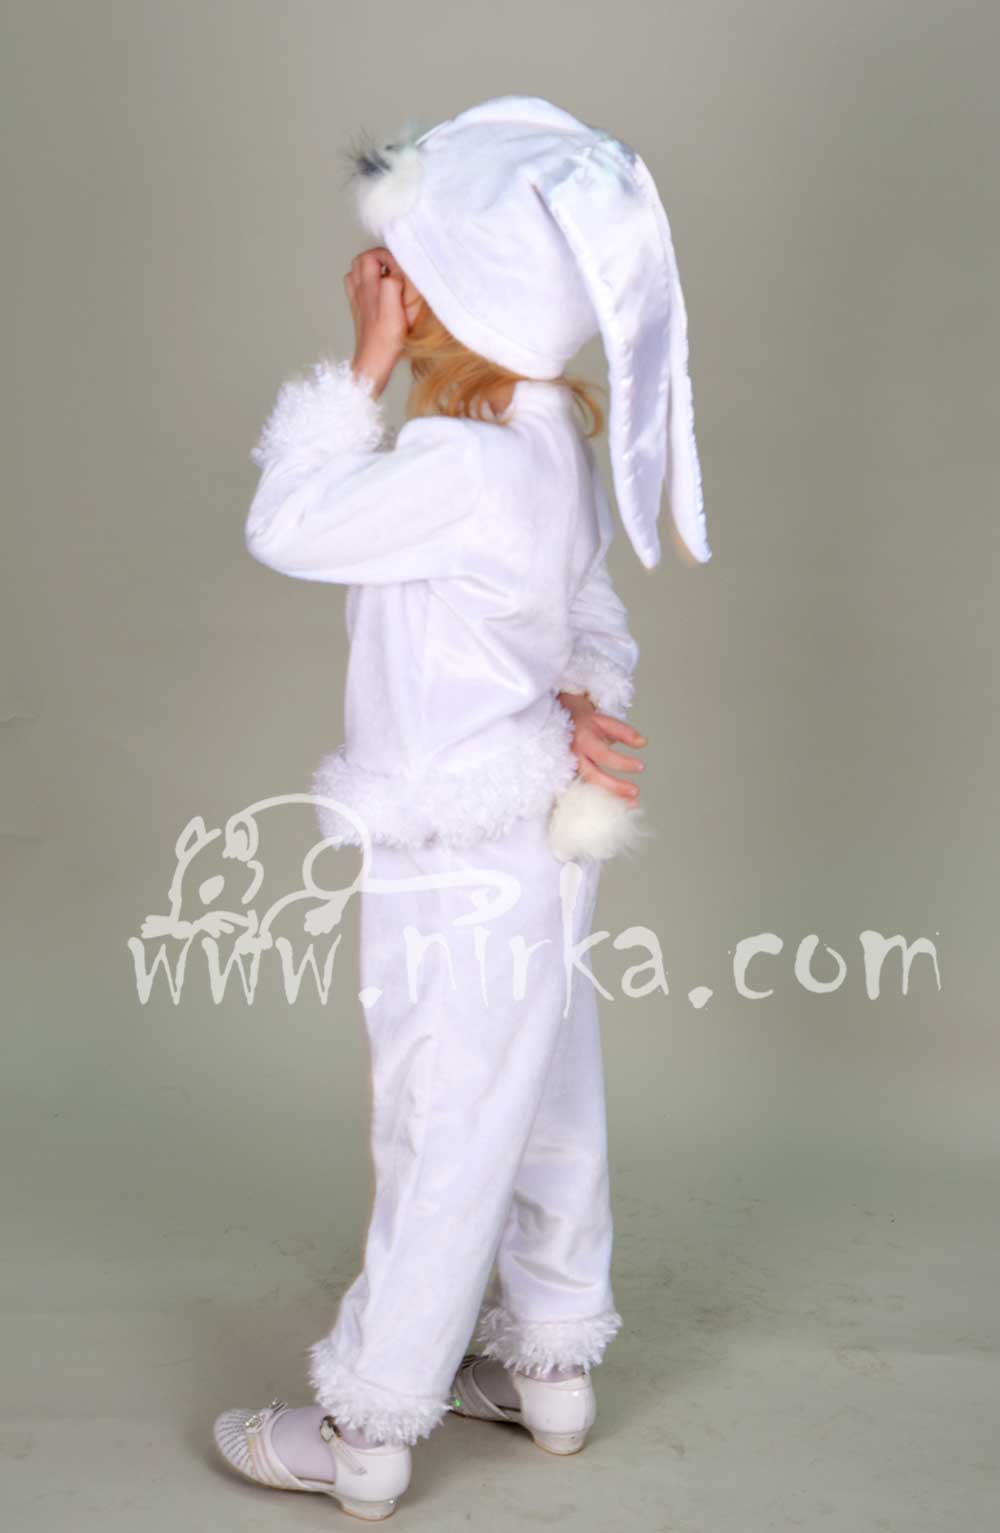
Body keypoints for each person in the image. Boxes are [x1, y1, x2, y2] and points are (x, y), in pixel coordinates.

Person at [214, 94, 710, 1521]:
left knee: (442, 1117)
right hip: (538, 826)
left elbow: (286, 524)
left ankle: (367, 1428)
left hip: (452, 845)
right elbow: (591, 615)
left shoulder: (454, 465)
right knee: (544, 1094)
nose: (383, 280)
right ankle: (549, 1371)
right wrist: (587, 702)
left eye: (407, 269)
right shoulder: (548, 440)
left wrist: (358, 367)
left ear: (454, 295)